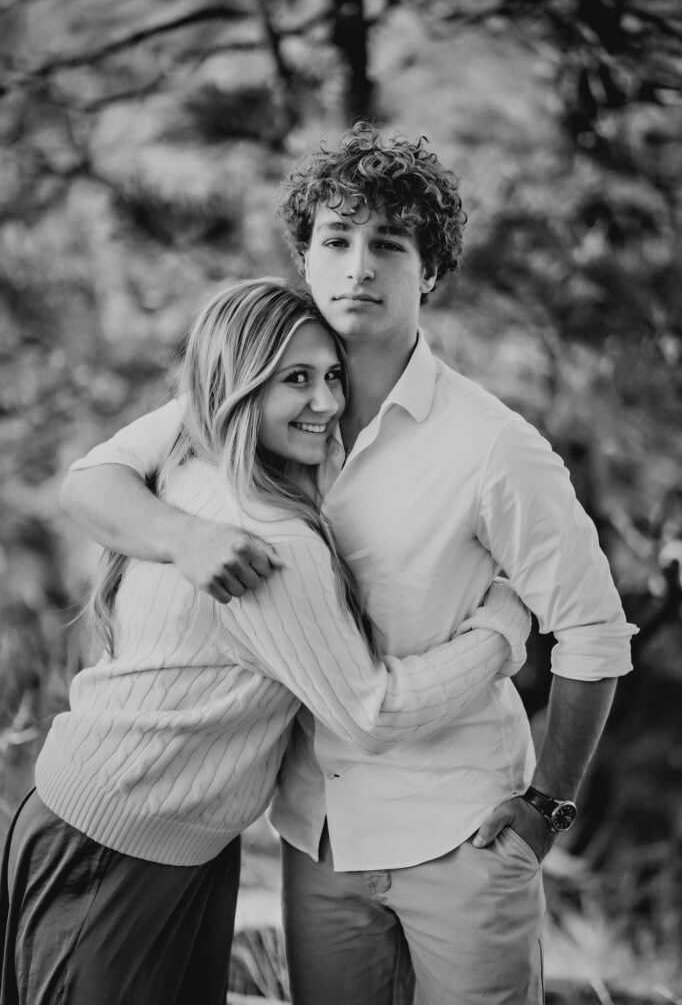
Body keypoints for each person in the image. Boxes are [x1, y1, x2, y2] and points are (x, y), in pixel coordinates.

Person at [58, 125, 636, 1005]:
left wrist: (546, 809)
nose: (360, 266)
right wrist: (184, 537)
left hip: (462, 835)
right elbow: (94, 480)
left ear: (430, 271)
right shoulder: (253, 396)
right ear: (307, 256)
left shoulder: (494, 449)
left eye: (389, 245)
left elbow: (595, 634)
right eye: (337, 240)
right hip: (316, 838)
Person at [0, 278, 531, 1005]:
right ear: (240, 388)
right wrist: (504, 622)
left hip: (168, 838)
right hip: (114, 844)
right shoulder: (269, 540)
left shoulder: (196, 454)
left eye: (333, 377)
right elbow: (371, 711)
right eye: (296, 381)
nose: (326, 403)